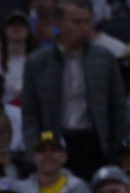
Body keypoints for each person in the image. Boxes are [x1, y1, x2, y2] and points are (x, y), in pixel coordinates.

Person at [22, 0, 125, 181]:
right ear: (58, 23)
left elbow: (117, 109)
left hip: (94, 143)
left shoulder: (105, 59)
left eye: (87, 22)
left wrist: (115, 151)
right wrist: (34, 153)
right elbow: (30, 115)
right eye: (76, 22)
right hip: (54, 144)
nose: (83, 28)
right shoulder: (36, 62)